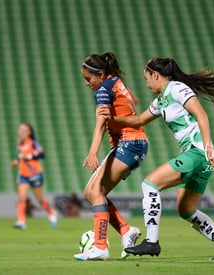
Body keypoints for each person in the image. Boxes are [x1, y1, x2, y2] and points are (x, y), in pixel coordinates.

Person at [99, 57, 214, 260]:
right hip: (198, 158)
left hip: (198, 152)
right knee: (186, 210)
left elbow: (202, 115)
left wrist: (208, 147)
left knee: (150, 184)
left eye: (147, 78)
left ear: (156, 75)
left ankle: (152, 242)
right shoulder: (162, 100)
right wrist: (111, 118)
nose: (146, 83)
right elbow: (139, 120)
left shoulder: (177, 88)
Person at [73, 52, 149, 261]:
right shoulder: (116, 82)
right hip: (135, 144)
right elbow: (134, 100)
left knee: (96, 191)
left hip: (130, 143)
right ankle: (126, 230)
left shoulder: (103, 91)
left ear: (100, 74)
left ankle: (100, 247)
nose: (87, 84)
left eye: (89, 79)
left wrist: (92, 153)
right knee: (91, 192)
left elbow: (101, 124)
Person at [10, 123, 57, 230]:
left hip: (35, 174)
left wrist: (29, 156)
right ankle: (21, 222)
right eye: (20, 130)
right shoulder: (19, 144)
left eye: (24, 130)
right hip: (23, 174)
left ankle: (52, 213)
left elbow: (41, 154)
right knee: (22, 198)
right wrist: (16, 161)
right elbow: (20, 156)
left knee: (39, 199)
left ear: (29, 132)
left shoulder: (33, 143)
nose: (21, 132)